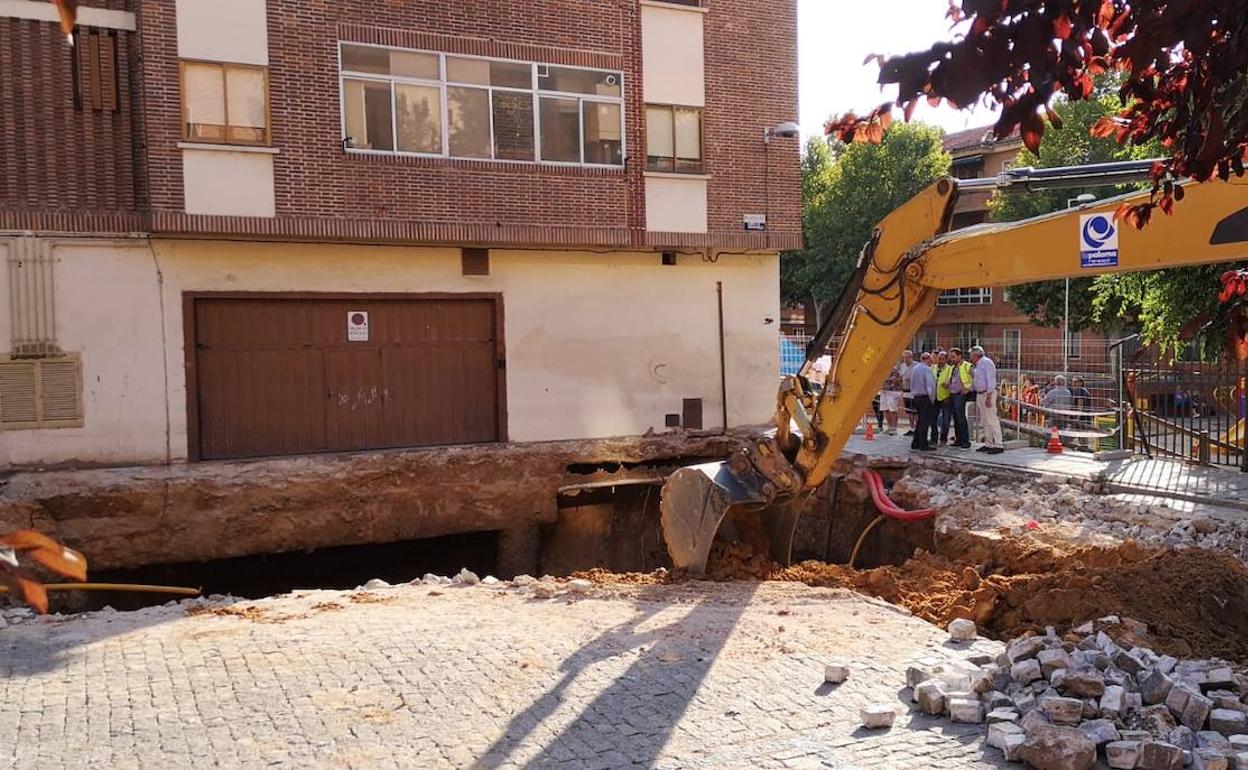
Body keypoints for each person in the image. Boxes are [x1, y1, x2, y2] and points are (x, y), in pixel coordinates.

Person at [970, 345, 1003, 454]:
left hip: (987, 394)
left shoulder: (987, 363)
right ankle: (988, 443)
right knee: (985, 419)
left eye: (971, 355)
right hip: (980, 394)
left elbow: (991, 380)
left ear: (975, 355)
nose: (970, 357)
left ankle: (998, 444)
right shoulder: (978, 365)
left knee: (992, 419)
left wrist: (989, 396)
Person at [942, 347, 973, 448]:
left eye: (953, 357)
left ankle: (965, 441)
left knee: (960, 417)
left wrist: (969, 389)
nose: (952, 359)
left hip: (960, 394)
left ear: (960, 356)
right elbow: (953, 380)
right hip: (953, 394)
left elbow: (976, 378)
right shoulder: (953, 368)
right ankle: (959, 439)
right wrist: (947, 385)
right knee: (955, 418)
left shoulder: (967, 366)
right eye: (950, 357)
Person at [909, 352, 938, 451]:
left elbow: (912, 383)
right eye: (931, 360)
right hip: (925, 397)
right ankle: (923, 444)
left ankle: (916, 442)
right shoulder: (927, 369)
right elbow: (930, 385)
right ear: (928, 359)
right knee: (925, 421)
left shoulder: (915, 369)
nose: (931, 362)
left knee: (920, 421)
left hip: (917, 397)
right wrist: (932, 398)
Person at [932, 350, 950, 446]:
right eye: (939, 359)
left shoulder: (950, 369)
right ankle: (934, 438)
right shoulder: (933, 368)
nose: (940, 361)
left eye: (942, 359)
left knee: (945, 420)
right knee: (933, 419)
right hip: (934, 397)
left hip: (945, 398)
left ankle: (943, 438)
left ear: (946, 360)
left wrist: (948, 388)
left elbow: (952, 382)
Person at [896, 350, 916, 434]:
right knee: (909, 410)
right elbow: (900, 377)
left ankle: (917, 428)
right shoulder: (902, 366)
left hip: (913, 390)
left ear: (911, 357)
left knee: (915, 411)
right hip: (905, 390)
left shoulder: (916, 366)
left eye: (908, 357)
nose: (906, 359)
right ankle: (912, 428)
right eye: (904, 358)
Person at [880, 369, 904, 435]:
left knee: (893, 410)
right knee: (886, 410)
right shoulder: (881, 370)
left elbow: (897, 381)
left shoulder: (895, 370)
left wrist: (891, 380)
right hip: (883, 391)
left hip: (893, 392)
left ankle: (894, 428)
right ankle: (889, 427)